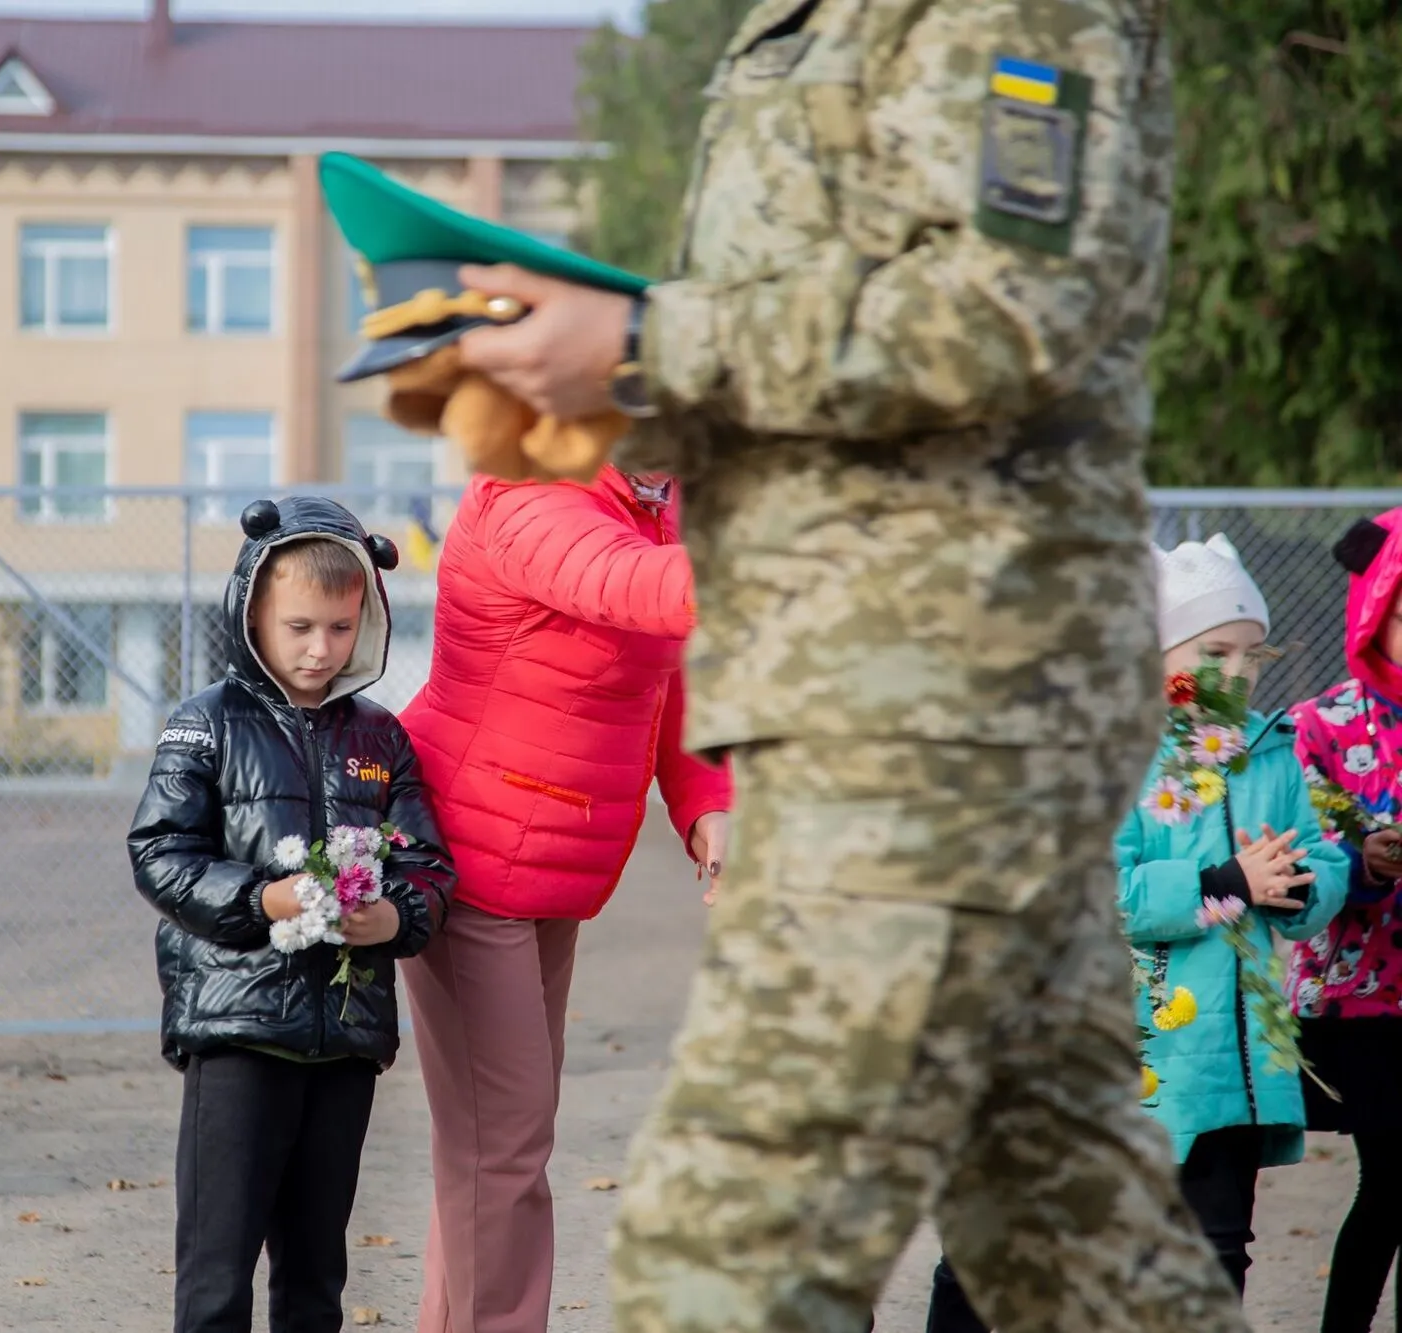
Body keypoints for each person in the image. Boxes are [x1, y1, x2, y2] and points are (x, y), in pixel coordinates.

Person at [386, 1, 1253, 1328]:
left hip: (925, 705)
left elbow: (1011, 308)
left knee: (727, 1249)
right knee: (1066, 1218)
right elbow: (822, 353)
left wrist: (641, 346)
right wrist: (592, 368)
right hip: (873, 698)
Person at [321, 161, 732, 1333]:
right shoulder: (529, 496)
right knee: (503, 1146)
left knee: (492, 1146)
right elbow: (640, 594)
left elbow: (675, 684)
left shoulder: (665, 501)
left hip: (556, 857)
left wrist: (708, 807)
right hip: (468, 853)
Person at [921, 535, 1349, 1332]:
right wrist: (1226, 884)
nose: (1237, 672)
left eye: (1253, 654)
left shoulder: (1272, 754)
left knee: (1214, 1250)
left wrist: (1299, 888)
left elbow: (1319, 861)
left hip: (1230, 1056)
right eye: (1213, 650)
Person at [127, 497, 455, 1333]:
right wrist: (259, 899)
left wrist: (396, 919)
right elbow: (161, 853)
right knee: (217, 1272)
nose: (321, 649)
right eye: (300, 625)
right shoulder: (204, 723)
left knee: (316, 1277)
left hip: (343, 1038)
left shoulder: (382, 737)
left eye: (342, 629)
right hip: (235, 1030)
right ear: (251, 615)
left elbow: (426, 863)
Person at [1286, 510, 1402, 1333]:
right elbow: (1300, 860)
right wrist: (1366, 860)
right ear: (1376, 607)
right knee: (1397, 1176)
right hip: (1363, 999)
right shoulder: (1319, 723)